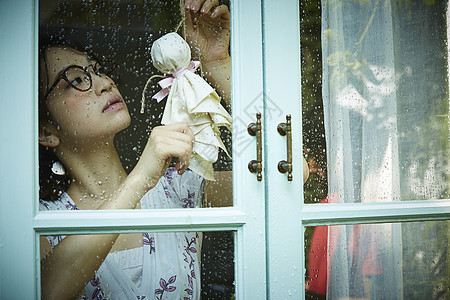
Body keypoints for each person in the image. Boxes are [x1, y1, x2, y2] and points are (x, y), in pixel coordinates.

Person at [39, 1, 231, 299]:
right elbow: (40, 291)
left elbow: (285, 178)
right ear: (45, 131)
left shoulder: (178, 189)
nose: (104, 82)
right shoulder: (42, 223)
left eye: (98, 70)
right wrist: (141, 178)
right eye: (76, 79)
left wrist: (218, 63)